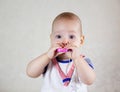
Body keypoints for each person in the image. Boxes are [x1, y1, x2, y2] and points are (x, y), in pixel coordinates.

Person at [26, 12, 96, 92]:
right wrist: (47, 56)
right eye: (59, 36)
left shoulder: (83, 61)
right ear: (51, 38)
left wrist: (77, 59)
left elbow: (89, 80)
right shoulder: (47, 61)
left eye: (71, 36)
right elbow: (30, 72)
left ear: (81, 40)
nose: (65, 41)